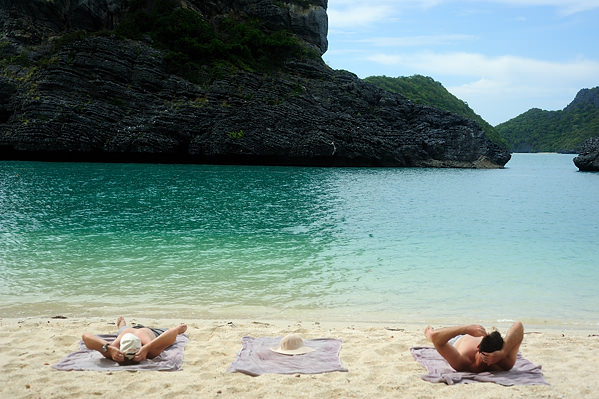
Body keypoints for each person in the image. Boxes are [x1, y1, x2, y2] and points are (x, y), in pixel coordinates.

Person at [424, 321, 523, 372]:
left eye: (493, 360)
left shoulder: (503, 360)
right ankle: (429, 328)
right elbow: (435, 337)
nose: (488, 364)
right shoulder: (463, 359)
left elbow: (519, 325)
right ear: (478, 347)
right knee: (430, 334)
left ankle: (491, 332)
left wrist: (504, 352)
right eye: (485, 359)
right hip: (459, 338)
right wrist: (464, 329)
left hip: (483, 338)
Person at [82, 316, 187, 364]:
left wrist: (108, 348)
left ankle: (122, 321)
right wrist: (148, 348)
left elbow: (85, 336)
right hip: (145, 332)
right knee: (179, 329)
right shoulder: (150, 351)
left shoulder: (113, 350)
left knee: (122, 328)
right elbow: (174, 331)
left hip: (130, 331)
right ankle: (121, 322)